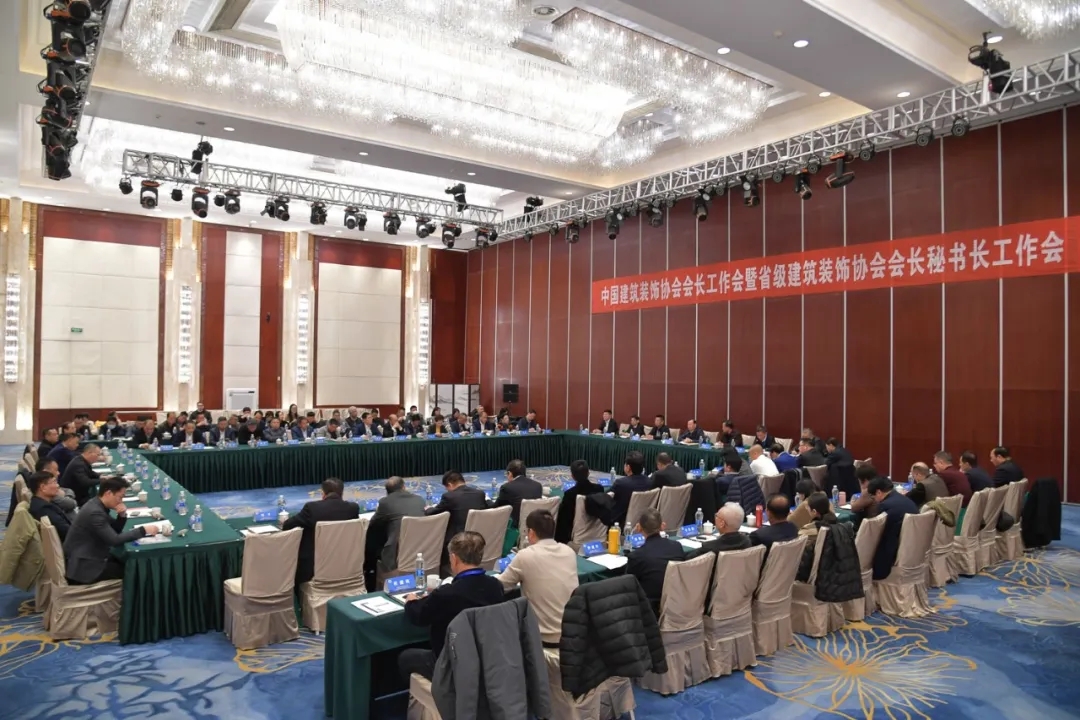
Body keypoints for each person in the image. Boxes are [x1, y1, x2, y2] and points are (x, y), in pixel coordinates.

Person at [398, 531, 505, 681]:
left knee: (405, 658)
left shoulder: (447, 594)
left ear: (454, 559)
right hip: (485, 659)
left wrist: (411, 601)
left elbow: (418, 615)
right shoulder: (495, 586)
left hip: (450, 664)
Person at [496, 509, 578, 645]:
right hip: (572, 632)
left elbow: (501, 586)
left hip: (542, 638)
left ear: (531, 533)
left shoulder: (526, 555)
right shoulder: (569, 552)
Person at [63, 476, 158, 584]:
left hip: (91, 555)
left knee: (124, 561)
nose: (121, 501)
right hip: (84, 567)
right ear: (108, 493)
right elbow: (114, 540)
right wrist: (143, 530)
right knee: (134, 571)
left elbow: (114, 530)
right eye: (120, 497)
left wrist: (121, 516)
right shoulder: (95, 512)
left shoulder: (96, 503)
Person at [282, 477, 360, 585]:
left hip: (313, 570)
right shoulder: (353, 509)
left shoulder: (312, 508)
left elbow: (287, 526)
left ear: (323, 493)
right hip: (346, 565)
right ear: (342, 493)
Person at [626, 508, 686, 616]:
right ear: (662, 526)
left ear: (639, 528)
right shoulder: (677, 547)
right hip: (676, 602)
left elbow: (629, 586)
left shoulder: (637, 556)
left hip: (649, 609)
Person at [367, 476, 427, 579]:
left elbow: (372, 524)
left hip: (396, 555)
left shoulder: (385, 502)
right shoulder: (419, 500)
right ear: (404, 487)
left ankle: (370, 577)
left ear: (387, 491)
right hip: (422, 550)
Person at [426, 471, 490, 561]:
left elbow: (433, 513)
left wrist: (428, 508)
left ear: (449, 484)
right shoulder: (480, 494)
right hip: (477, 538)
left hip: (457, 540)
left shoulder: (449, 497)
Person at [868, 476, 919, 580]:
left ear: (878, 492)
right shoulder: (906, 500)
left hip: (894, 549)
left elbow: (879, 533)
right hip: (914, 545)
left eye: (873, 497)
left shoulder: (885, 506)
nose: (875, 501)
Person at [555, 459, 605, 543]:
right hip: (598, 534)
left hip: (576, 536)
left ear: (572, 476)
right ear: (588, 473)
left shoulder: (570, 494)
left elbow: (563, 521)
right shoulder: (599, 489)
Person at [494, 460, 543, 528]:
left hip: (516, 527)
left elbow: (497, 508)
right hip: (536, 525)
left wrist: (487, 500)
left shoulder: (507, 487)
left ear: (509, 473)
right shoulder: (538, 486)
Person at [27, 470, 72, 540]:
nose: (58, 486)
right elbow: (66, 531)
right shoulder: (44, 509)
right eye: (54, 482)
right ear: (43, 487)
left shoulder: (39, 503)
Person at [611, 450, 651, 527]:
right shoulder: (650, 482)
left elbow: (608, 497)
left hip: (620, 523)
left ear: (628, 467)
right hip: (643, 521)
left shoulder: (621, 483)